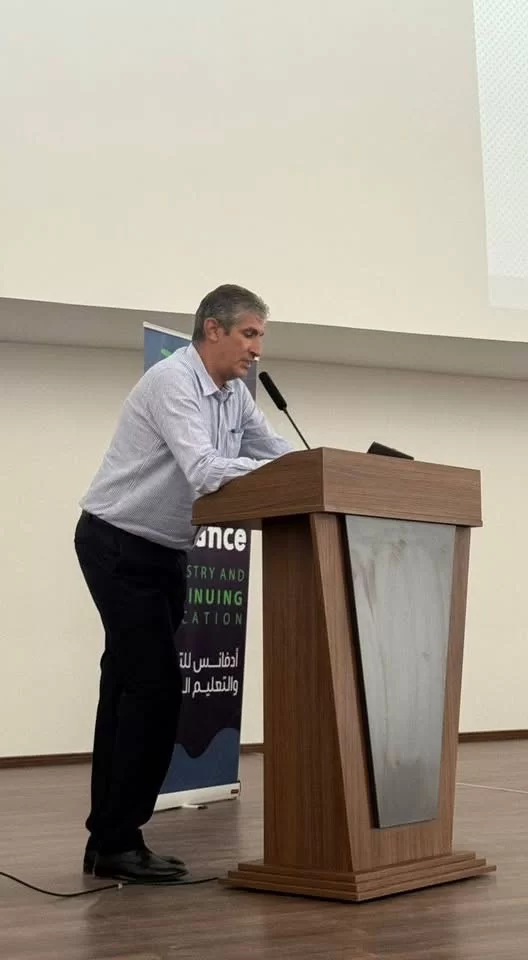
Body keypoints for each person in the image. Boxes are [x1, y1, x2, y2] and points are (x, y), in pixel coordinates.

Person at [74, 284, 293, 882]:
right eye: (249, 334)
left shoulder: (236, 396)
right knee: (155, 690)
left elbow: (277, 454)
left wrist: (316, 467)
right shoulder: (173, 381)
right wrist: (273, 472)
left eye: (260, 337)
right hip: (116, 543)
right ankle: (119, 839)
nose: (257, 349)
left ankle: (107, 840)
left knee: (125, 690)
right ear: (213, 330)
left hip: (166, 553)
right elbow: (203, 469)